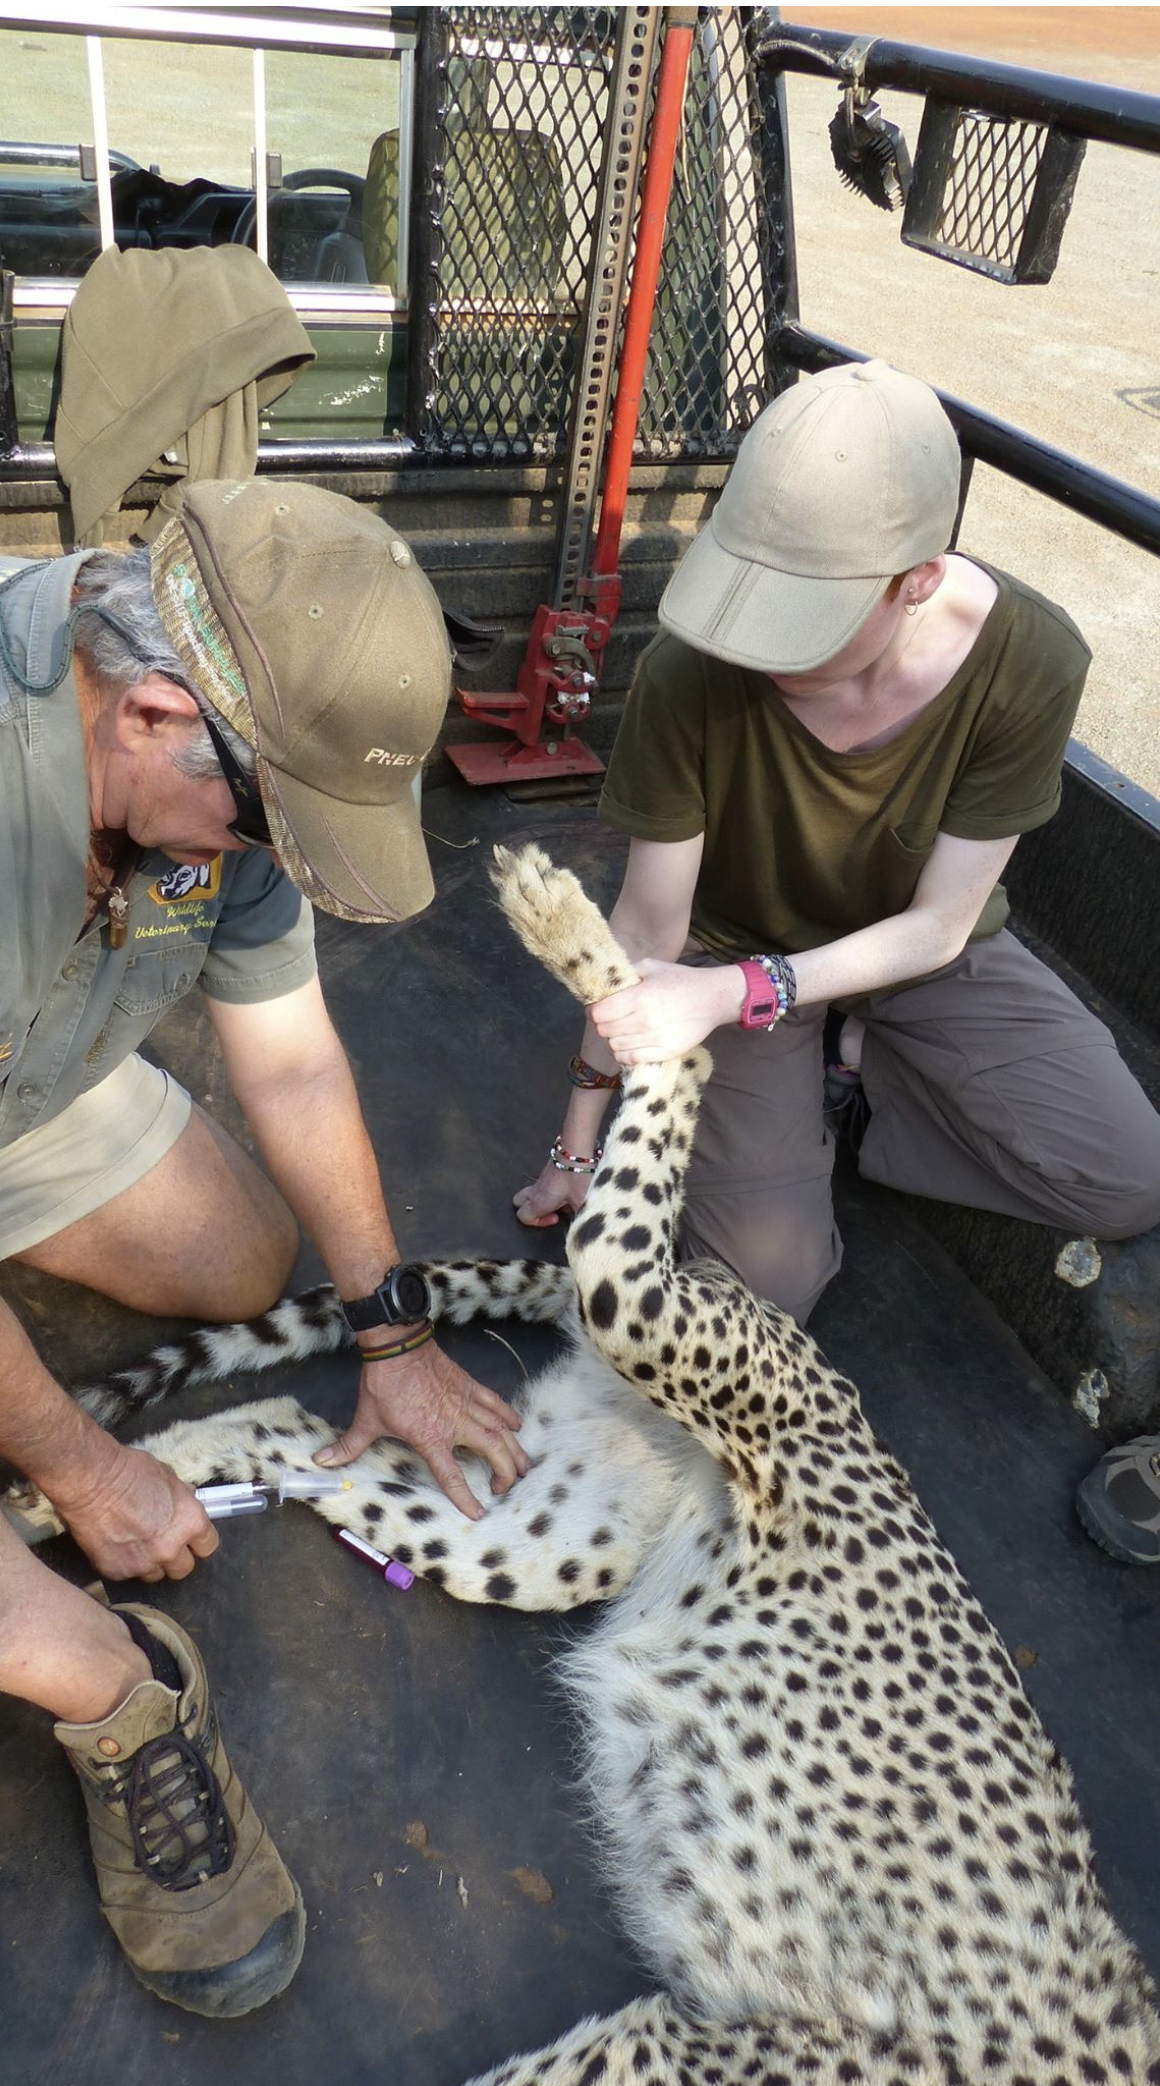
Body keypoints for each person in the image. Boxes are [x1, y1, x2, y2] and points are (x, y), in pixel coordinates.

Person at [0, 477, 527, 2014]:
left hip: (27, 1080)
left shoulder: (209, 766)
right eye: (268, 826)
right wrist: (82, 1467)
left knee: (241, 1258)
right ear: (158, 713)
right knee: (67, 1636)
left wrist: (392, 1333)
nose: (269, 860)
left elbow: (290, 1064)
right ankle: (116, 1684)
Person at [514, 358, 1160, 1335]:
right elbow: (645, 930)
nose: (761, 645)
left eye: (805, 618)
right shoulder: (690, 670)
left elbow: (940, 925)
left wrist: (743, 995)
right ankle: (829, 1073)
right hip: (731, 948)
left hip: (913, 950)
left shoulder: (1027, 656)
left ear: (918, 580)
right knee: (765, 1293)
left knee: (1127, 1180)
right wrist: (577, 1146)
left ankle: (857, 1082)